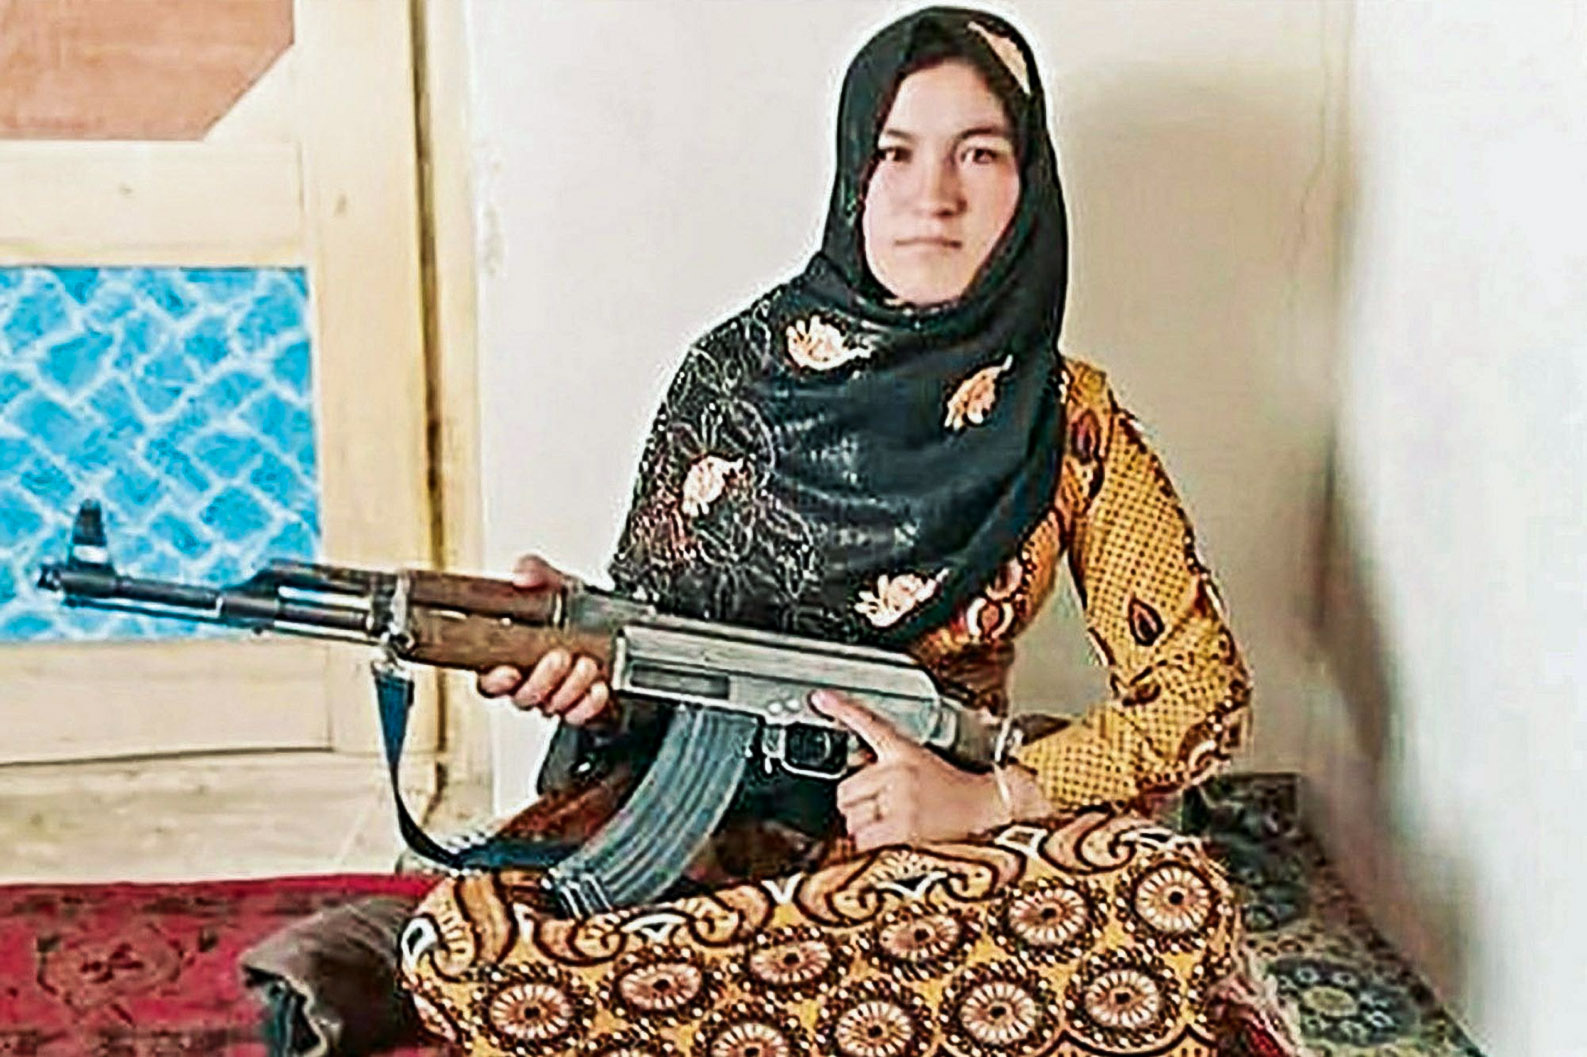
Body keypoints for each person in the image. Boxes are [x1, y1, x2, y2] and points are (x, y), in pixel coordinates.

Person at [250, 8, 1269, 1056]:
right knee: (474, 956)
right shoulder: (733, 380)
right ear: (852, 175)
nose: (933, 195)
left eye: (979, 153)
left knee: (1172, 895)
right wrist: (583, 672)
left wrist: (985, 797)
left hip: (929, 853)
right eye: (894, 153)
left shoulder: (1068, 421)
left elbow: (1200, 695)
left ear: (1029, 184)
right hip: (701, 848)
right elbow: (648, 667)